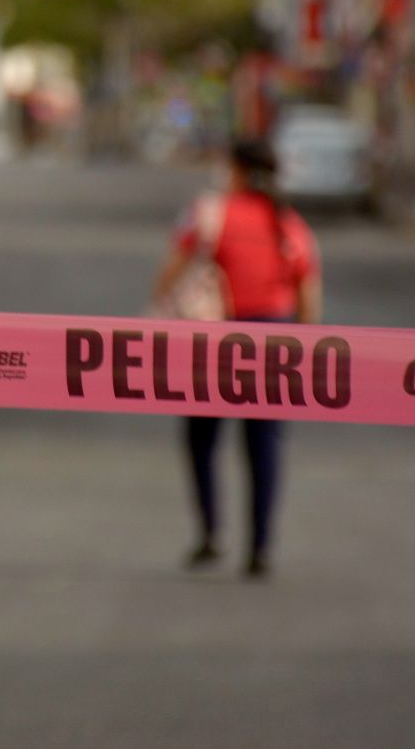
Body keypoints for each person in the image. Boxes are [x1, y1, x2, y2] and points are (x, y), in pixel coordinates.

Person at [150, 137, 322, 579]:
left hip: (214, 341)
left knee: (202, 441)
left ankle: (211, 533)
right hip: (273, 341)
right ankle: (261, 545)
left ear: (236, 170)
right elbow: (308, 289)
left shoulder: (210, 212)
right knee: (264, 447)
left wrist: (158, 311)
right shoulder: (288, 221)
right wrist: (303, 345)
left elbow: (174, 266)